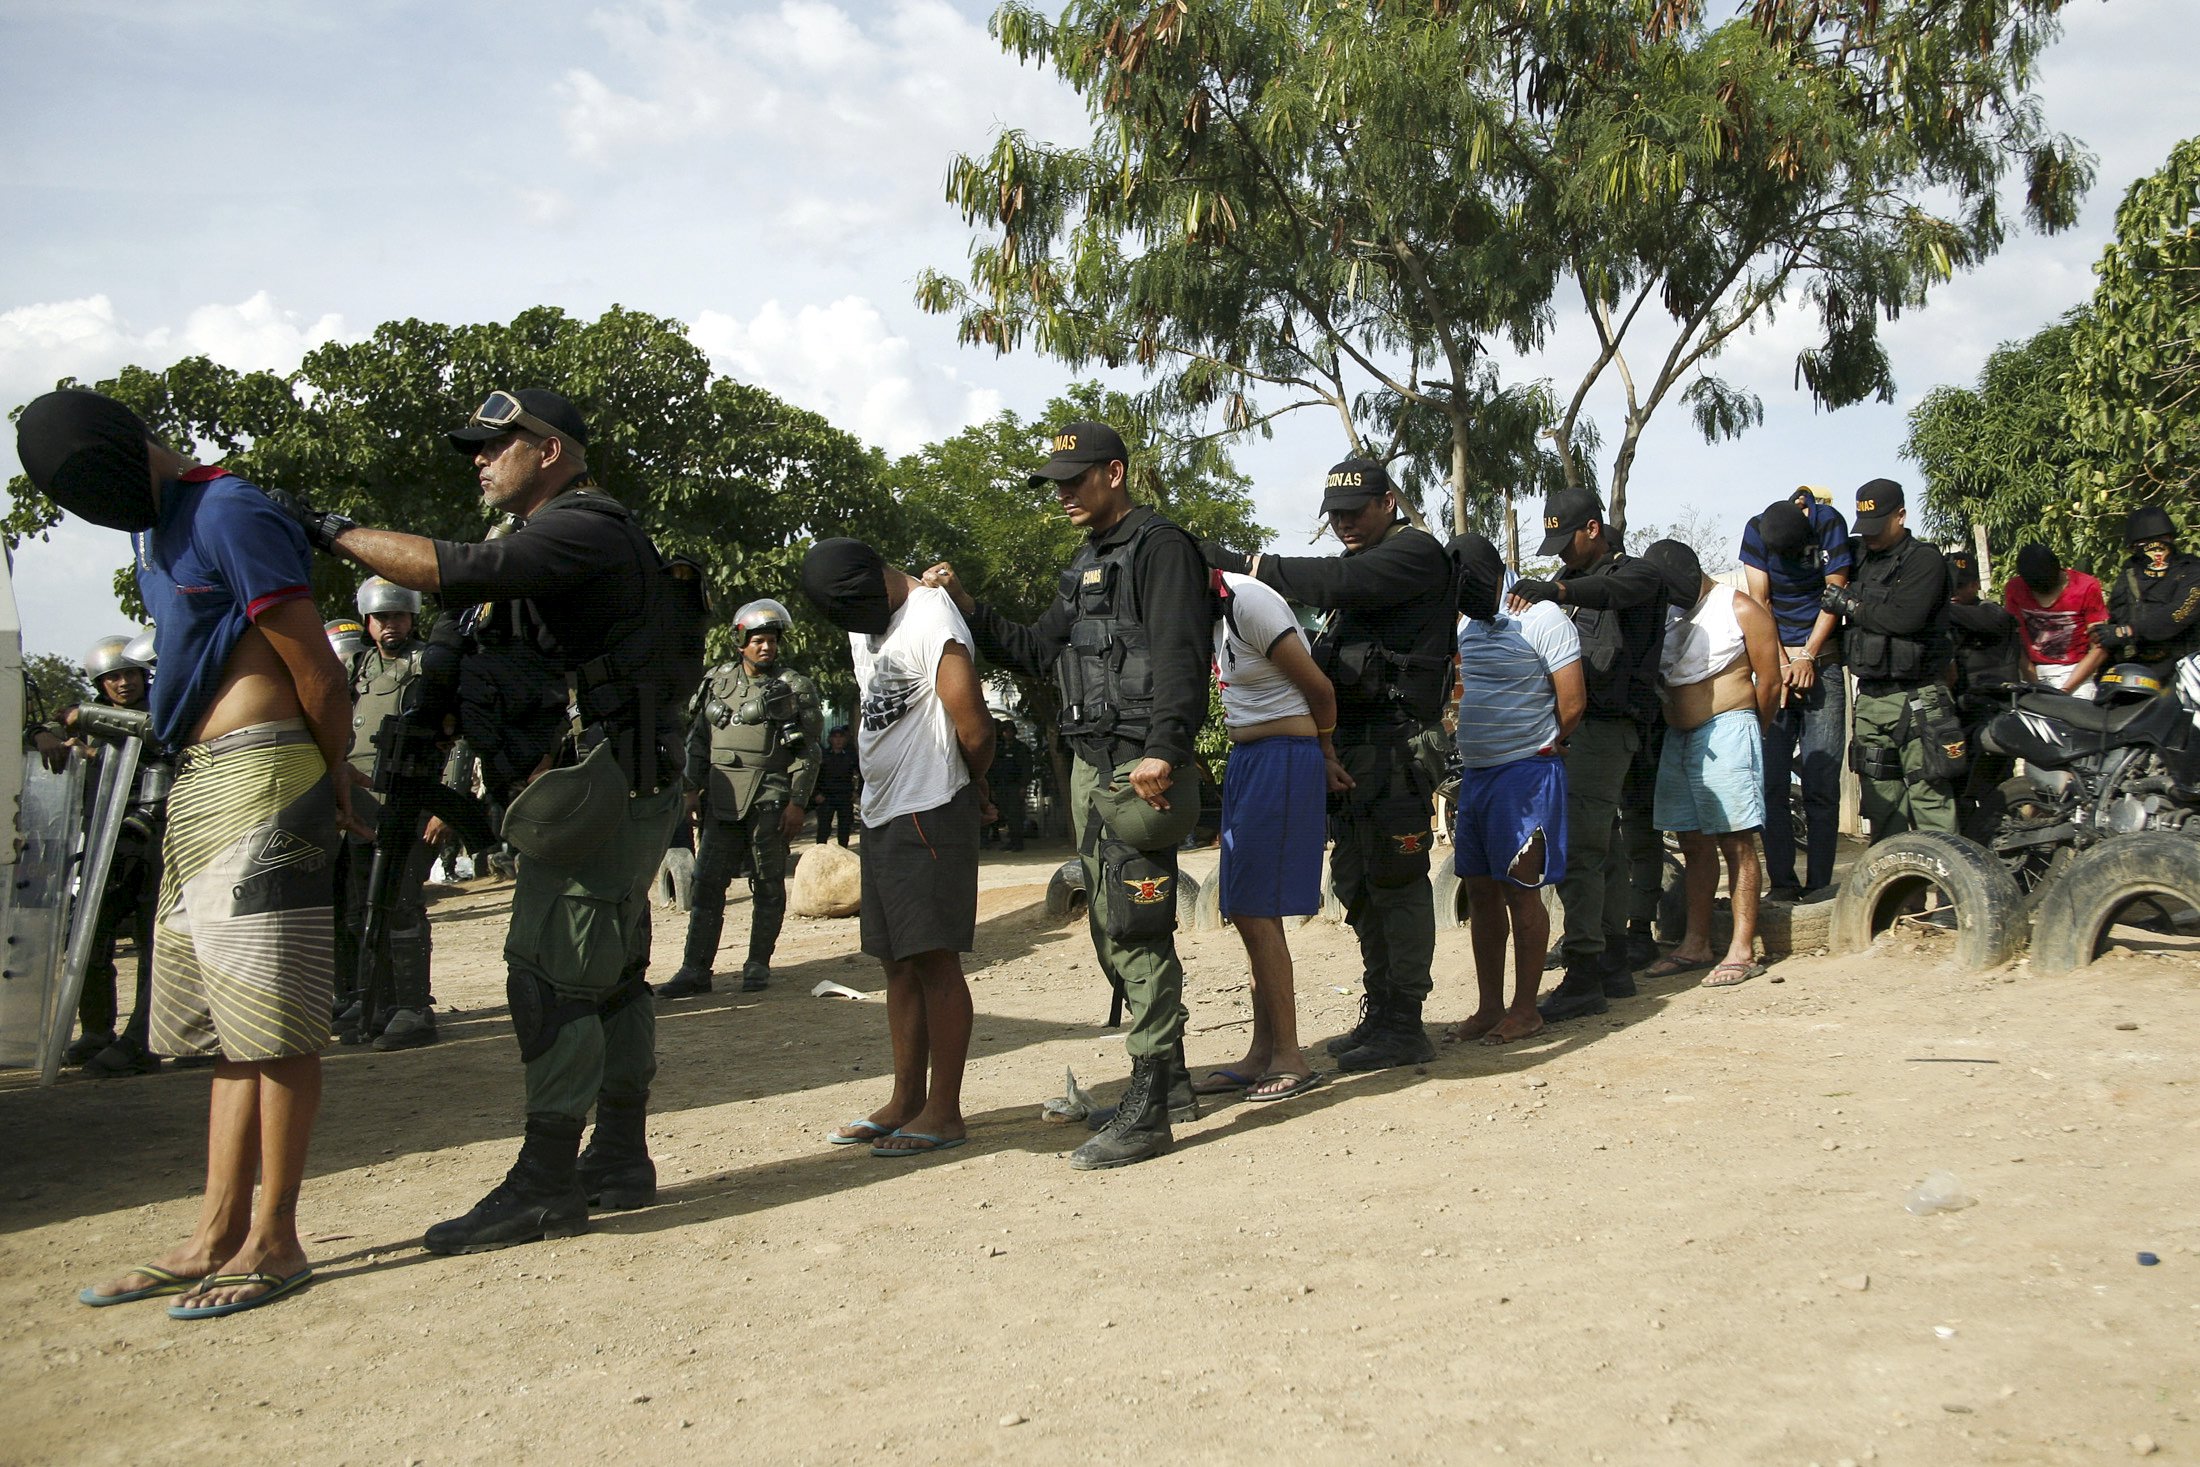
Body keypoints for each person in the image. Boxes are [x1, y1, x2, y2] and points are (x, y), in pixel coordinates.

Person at [275, 387, 698, 1251]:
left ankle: (547, 1181)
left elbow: (465, 569)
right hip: (604, 782)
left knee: (550, 971)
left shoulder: (585, 526)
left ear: (550, 450)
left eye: (495, 443)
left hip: (598, 787)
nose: (479, 457)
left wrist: (328, 529)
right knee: (610, 970)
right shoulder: (552, 536)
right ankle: (618, 1154)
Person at [23, 388, 363, 1319]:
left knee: (280, 1023)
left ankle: (278, 1238)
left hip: (265, 775)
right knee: (228, 1031)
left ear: (140, 448)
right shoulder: (159, 527)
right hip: (200, 785)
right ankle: (216, 1232)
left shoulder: (227, 508)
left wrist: (331, 778)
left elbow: (315, 667)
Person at [923, 420, 1209, 1170]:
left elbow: (1183, 655)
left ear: (1114, 472)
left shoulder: (1161, 547)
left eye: (1073, 479)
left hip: (1139, 767)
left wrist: (1165, 751)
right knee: (1110, 926)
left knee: (1139, 924)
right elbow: (1035, 650)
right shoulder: (1087, 562)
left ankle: (1150, 1110)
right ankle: (1169, 1079)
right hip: (1092, 766)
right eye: (1054, 482)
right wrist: (967, 605)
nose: (1061, 494)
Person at [1204, 457, 1454, 1072]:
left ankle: (1405, 1021)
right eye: (1334, 515)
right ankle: (1381, 1011)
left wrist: (1248, 564)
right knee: (1356, 881)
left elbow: (1331, 585)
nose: (1342, 523)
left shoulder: (1414, 554)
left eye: (1353, 511)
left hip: (1396, 746)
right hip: (1355, 745)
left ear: (1388, 502)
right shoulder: (1361, 562)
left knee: (1396, 880)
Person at [801, 540, 994, 1156]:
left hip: (930, 807)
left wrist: (971, 786)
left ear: (879, 577)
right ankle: (906, 1097)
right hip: (883, 810)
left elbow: (973, 723)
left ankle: (945, 1110)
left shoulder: (932, 615)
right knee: (896, 961)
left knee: (934, 958)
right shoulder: (868, 622)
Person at [1187, 566, 1347, 1100]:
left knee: (1259, 910)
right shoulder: (1211, 611)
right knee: (1244, 906)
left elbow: (1319, 690)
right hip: (1250, 759)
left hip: (1283, 757)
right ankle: (1262, 1051)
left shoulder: (1250, 601)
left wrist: (1324, 753)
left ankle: (1291, 1057)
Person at [1507, 487, 1665, 1022]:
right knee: (1607, 849)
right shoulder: (1581, 585)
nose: (1560, 553)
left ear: (1593, 528)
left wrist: (1555, 589)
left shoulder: (1638, 575)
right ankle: (1613, 964)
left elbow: (1618, 591)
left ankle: (1583, 973)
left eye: (1565, 540)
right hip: (1590, 732)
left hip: (1603, 730)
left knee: (1579, 852)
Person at [1441, 534, 1583, 1046]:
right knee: (1480, 892)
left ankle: (1526, 1009)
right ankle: (1488, 1006)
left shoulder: (1543, 619)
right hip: (1477, 776)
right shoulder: (1463, 623)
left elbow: (1572, 701)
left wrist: (1545, 745)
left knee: (1523, 892)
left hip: (1526, 775)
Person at [657, 600, 821, 999]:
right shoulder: (716, 682)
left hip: (769, 795)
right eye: (758, 640)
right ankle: (695, 970)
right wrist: (691, 788)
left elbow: (809, 750)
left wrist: (797, 803)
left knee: (766, 882)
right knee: (707, 884)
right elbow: (698, 739)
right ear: (740, 642)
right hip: (721, 796)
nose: (766, 647)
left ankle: (757, 965)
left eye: (771, 641)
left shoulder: (793, 687)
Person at [1637, 541, 1781, 988]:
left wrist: (1751, 729)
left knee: (1736, 840)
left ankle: (1742, 947)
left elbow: (1770, 680)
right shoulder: (1669, 615)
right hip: (1678, 739)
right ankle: (1696, 943)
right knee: (1693, 842)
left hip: (1727, 729)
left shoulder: (1741, 609)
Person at [332, 575, 444, 1050]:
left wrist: (443, 807)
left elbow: (451, 738)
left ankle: (414, 1009)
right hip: (359, 805)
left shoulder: (428, 665)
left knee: (401, 905)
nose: (389, 626)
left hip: (408, 801)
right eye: (381, 618)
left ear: (412, 618)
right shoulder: (357, 667)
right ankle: (377, 1001)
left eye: (398, 616)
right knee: (362, 909)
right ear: (367, 622)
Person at [1820, 479, 1959, 840]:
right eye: (1865, 528)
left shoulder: (1924, 560)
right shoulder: (1858, 556)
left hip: (1919, 698)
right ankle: (1901, 897)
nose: (1871, 536)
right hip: (1870, 699)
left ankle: (1947, 893)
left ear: (1901, 515)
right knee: (1883, 808)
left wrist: (1850, 605)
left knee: (1930, 803)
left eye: (1878, 527)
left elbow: (1904, 619)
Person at [59, 634, 169, 1077]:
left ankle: (143, 1039)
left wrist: (78, 718)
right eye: (112, 677)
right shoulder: (91, 726)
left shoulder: (164, 712)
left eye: (129, 673)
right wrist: (47, 733)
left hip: (154, 840)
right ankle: (96, 1030)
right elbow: (51, 722)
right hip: (105, 843)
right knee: (89, 936)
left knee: (151, 942)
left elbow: (154, 733)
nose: (123, 683)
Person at [1739, 492, 1854, 901]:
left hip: (1822, 661)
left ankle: (1820, 886)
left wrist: (1809, 654)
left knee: (1821, 781)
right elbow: (1760, 601)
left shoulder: (1828, 523)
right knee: (1770, 782)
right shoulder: (1755, 531)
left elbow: (1833, 596)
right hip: (1776, 666)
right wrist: (1784, 662)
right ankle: (1783, 885)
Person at [2094, 506, 2200, 678]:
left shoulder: (2193, 570)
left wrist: (2127, 631)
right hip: (2137, 671)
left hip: (2185, 670)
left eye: (2161, 540)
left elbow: (2179, 613)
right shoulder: (2130, 573)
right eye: (2146, 543)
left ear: (2171, 540)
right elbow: (2116, 619)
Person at [2004, 542, 2108, 694]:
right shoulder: (2015, 588)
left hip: (2077, 674)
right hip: (2034, 674)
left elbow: (2100, 647)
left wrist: (2064, 691)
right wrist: (2036, 685)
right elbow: (2014, 642)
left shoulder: (2086, 586)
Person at [985, 721, 1031, 851]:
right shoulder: (999, 750)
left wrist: (1024, 786)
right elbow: (993, 769)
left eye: (1009, 731)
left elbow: (1026, 768)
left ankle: (1018, 842)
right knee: (1006, 815)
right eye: (1005, 731)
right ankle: (1011, 841)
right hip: (1001, 787)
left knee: (1016, 815)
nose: (1007, 734)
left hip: (1015, 787)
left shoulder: (1021, 748)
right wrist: (993, 788)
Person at [812, 725, 859, 847]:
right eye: (835, 737)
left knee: (844, 829)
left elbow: (861, 773)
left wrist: (857, 792)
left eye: (841, 737)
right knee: (823, 829)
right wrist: (816, 793)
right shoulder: (823, 756)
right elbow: (814, 776)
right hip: (826, 797)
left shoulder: (850, 756)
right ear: (830, 739)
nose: (838, 740)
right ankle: (821, 854)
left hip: (844, 796)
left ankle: (843, 854)